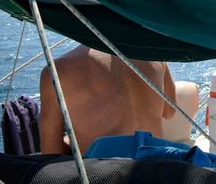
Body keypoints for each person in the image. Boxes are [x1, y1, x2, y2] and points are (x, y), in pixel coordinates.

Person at [38, 45, 177, 155]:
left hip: (107, 173)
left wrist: (75, 141)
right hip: (158, 166)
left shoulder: (57, 70)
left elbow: (51, 150)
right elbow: (170, 111)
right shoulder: (152, 54)